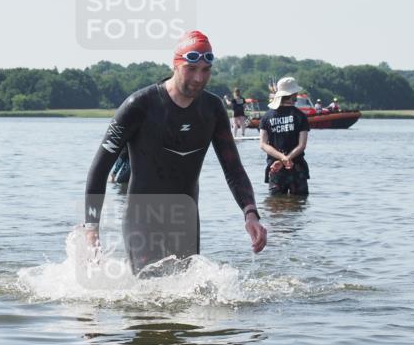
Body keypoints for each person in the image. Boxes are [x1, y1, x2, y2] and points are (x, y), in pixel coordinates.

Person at [84, 30, 267, 274]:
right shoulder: (139, 105)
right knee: (148, 299)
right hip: (142, 217)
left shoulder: (212, 109)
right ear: (175, 64)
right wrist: (91, 230)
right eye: (191, 69)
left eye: (205, 70)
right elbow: (100, 167)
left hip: (186, 218)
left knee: (186, 301)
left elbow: (233, 168)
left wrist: (250, 213)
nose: (199, 78)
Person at [259, 76, 310, 196]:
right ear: (293, 94)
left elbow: (263, 144)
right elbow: (302, 145)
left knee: (275, 206)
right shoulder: (300, 116)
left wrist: (281, 159)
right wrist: (286, 159)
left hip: (275, 168)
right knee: (299, 206)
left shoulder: (266, 117)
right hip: (297, 167)